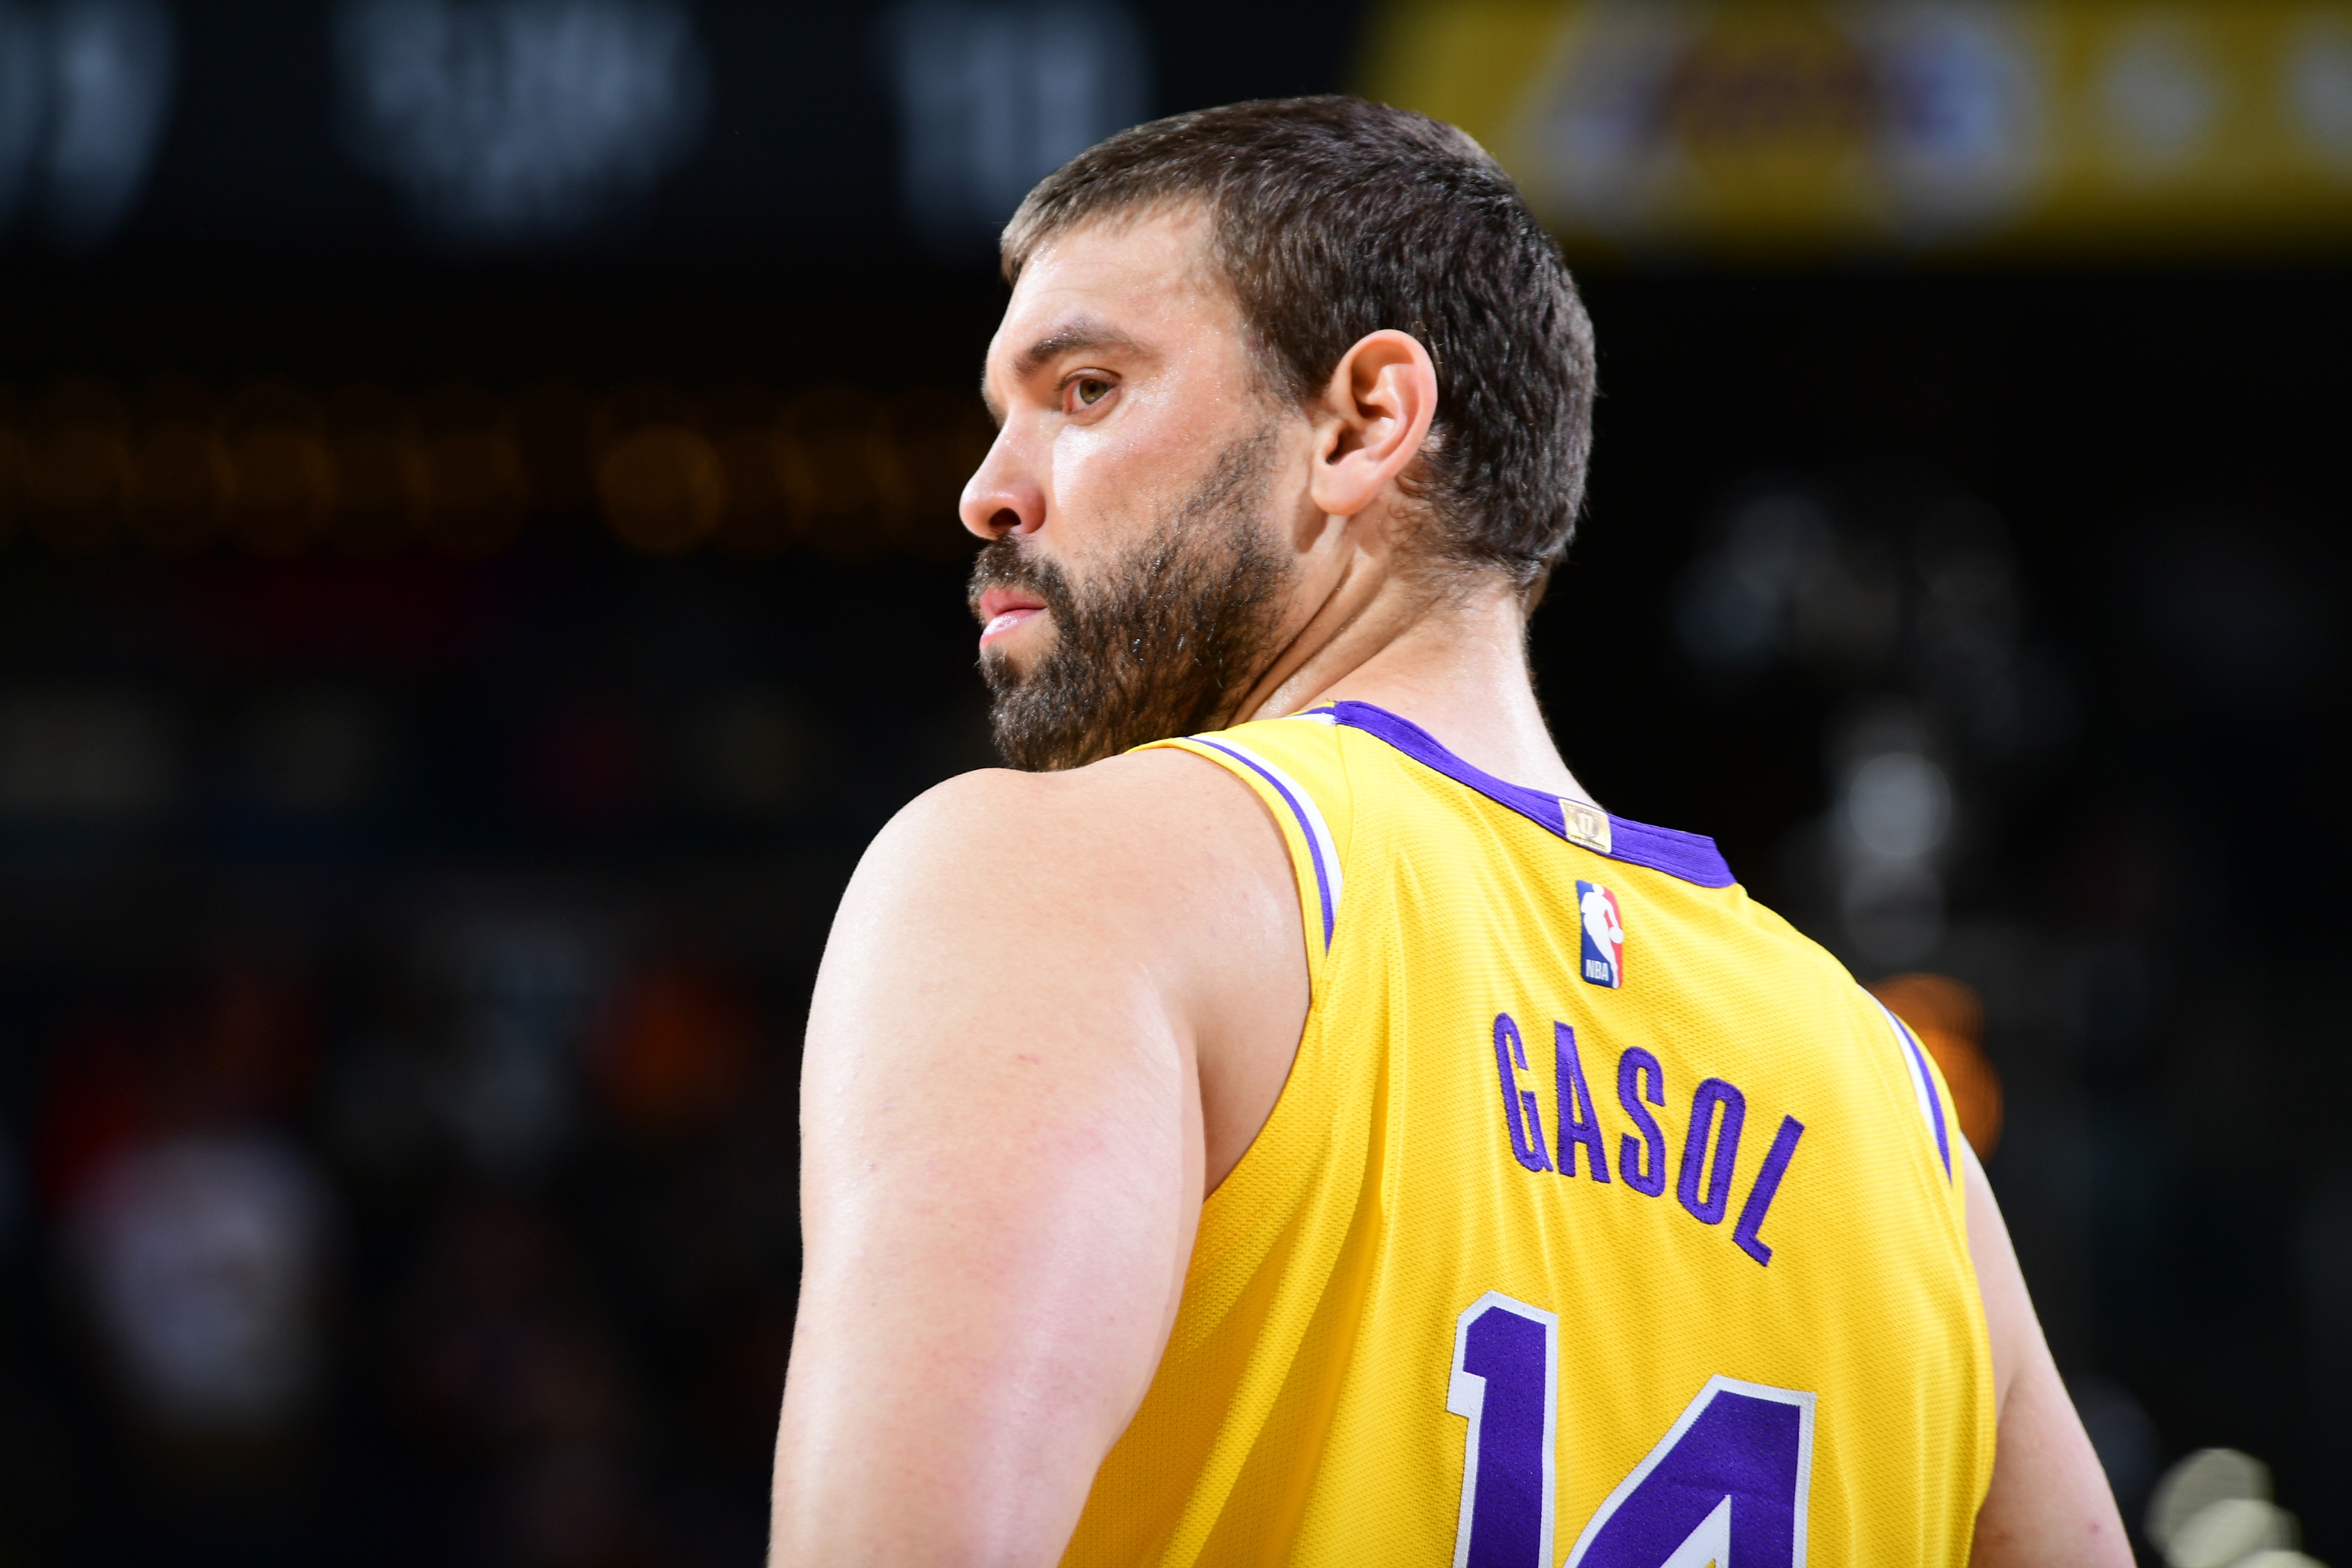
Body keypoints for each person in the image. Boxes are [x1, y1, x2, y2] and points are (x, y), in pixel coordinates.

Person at [770, 97, 2129, 1566]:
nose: (990, 488)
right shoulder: (1894, 1106)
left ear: (1364, 421)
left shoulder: (1063, 880)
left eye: (1086, 389)